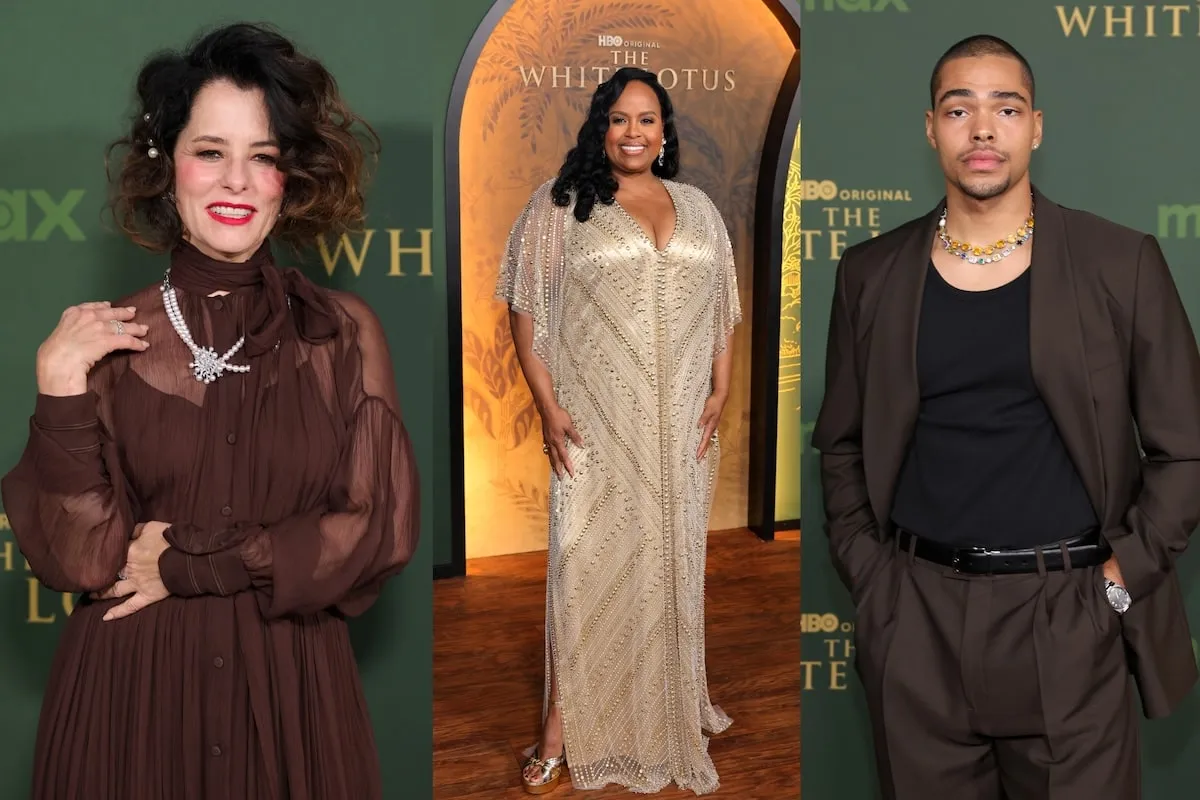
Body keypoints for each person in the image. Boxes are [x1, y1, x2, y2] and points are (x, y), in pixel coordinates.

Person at [0, 22, 419, 800]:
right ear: (167, 167)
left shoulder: (341, 333)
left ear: (288, 180)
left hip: (293, 704)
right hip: (126, 710)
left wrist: (191, 565)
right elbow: (81, 563)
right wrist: (58, 385)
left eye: (262, 157)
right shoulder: (102, 342)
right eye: (210, 151)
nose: (236, 181)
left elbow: (375, 533)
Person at [812, 33, 1200, 800]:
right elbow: (842, 445)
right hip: (915, 615)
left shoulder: (1118, 262)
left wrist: (1118, 583)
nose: (982, 129)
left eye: (1005, 108)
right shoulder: (871, 273)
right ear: (931, 128)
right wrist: (875, 582)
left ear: (1036, 127)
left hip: (1068, 615)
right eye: (959, 109)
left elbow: (1185, 450)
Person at [495, 66, 741, 795]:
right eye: (619, 119)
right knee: (586, 565)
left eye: (647, 119)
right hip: (596, 424)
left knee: (667, 561)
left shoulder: (698, 206)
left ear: (665, 132)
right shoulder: (561, 202)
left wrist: (724, 383)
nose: (634, 132)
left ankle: (664, 699)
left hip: (681, 435)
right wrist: (546, 405)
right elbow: (524, 307)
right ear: (600, 127)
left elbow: (722, 300)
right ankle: (559, 731)